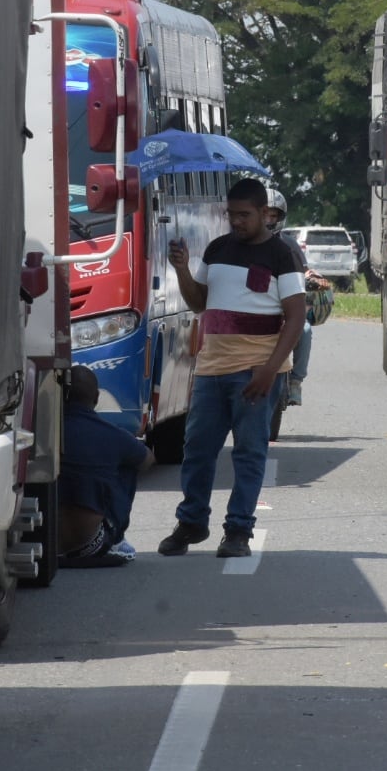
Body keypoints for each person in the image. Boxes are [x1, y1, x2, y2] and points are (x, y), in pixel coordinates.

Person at [159, 177, 306, 558]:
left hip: (256, 371)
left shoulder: (282, 255)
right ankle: (191, 523)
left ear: (264, 214)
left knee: (249, 453)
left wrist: (271, 369)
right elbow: (199, 303)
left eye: (244, 215)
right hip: (211, 368)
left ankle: (238, 532)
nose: (236, 222)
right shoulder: (218, 248)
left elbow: (294, 317)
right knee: (197, 450)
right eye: (231, 215)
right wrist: (182, 270)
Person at [58, 365, 152, 567]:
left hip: (46, 540)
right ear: (97, 398)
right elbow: (147, 460)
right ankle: (116, 537)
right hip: (90, 543)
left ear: (62, 397)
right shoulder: (112, 434)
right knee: (130, 463)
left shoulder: (45, 435)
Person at [263, 188, 325, 406]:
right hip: (255, 307)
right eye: (265, 214)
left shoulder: (289, 245)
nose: (269, 220)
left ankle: (296, 381)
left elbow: (305, 270)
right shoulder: (241, 244)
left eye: (274, 215)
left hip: (284, 306)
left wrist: (314, 278)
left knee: (305, 330)